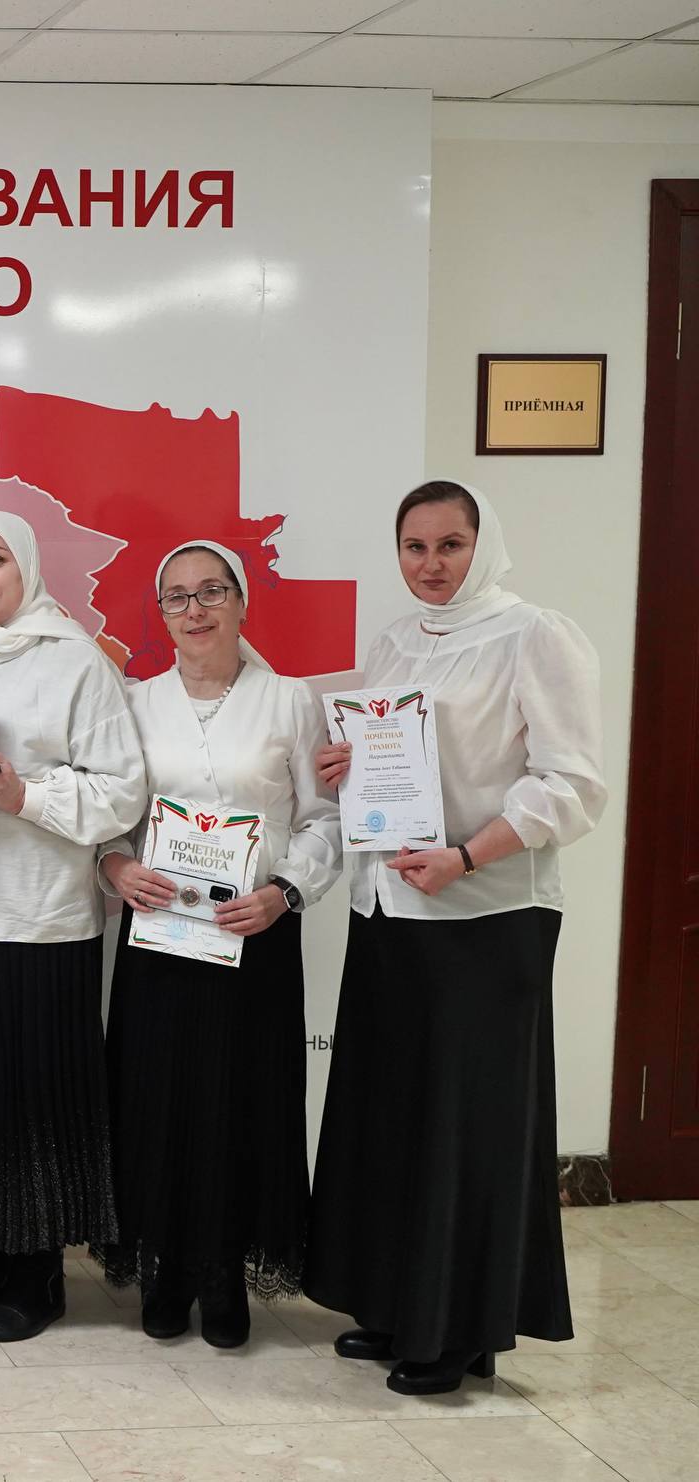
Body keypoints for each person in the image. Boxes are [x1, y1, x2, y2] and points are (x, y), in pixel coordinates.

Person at [304, 480, 605, 1395]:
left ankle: (462, 1333)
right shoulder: (398, 639)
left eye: (450, 544)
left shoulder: (535, 634)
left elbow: (573, 785)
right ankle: (400, 1306)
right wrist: (347, 765)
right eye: (415, 546)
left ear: (484, 544)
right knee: (398, 1116)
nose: (431, 564)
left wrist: (468, 857)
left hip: (485, 915)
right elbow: (394, 765)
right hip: (390, 909)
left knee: (468, 1130)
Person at [0, 511, 145, 1344]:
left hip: (40, 918)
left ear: (27, 567)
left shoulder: (77, 663)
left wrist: (23, 795)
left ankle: (40, 1271)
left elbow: (122, 793)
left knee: (36, 1099)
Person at [95, 542, 339, 1348]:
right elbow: (114, 821)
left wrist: (286, 892)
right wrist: (116, 867)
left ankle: (224, 1272)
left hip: (253, 935)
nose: (193, 610)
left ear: (241, 602)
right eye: (176, 597)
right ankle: (164, 1266)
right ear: (160, 614)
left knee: (241, 1103)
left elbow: (323, 820)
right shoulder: (135, 702)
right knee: (157, 1101)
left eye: (210, 592)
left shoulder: (291, 701)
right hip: (160, 936)